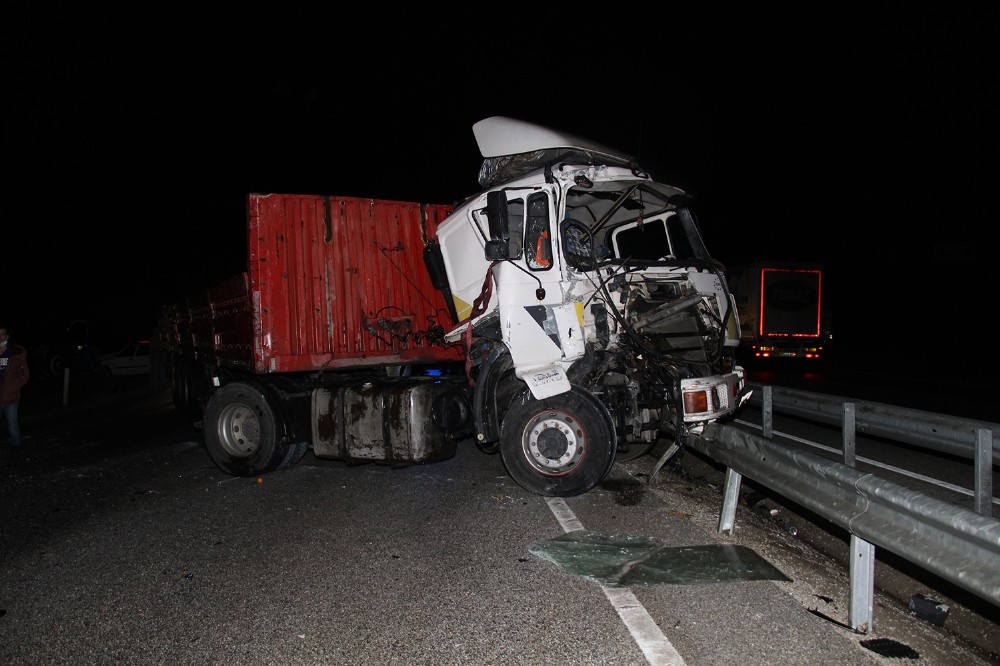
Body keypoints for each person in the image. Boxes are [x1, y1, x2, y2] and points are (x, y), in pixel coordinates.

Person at [0, 322, 30, 458]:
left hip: (11, 396)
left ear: (7, 336)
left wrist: (13, 386)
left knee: (12, 421)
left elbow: (25, 376)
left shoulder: (15, 354)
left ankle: (16, 447)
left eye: (2, 334)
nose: (0, 337)